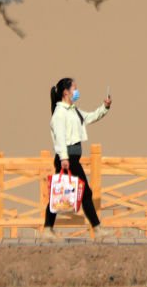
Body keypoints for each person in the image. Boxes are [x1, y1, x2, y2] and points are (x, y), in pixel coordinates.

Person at [42, 77, 112, 237]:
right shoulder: (59, 114)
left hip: (71, 159)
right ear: (66, 92)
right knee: (85, 193)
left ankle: (47, 228)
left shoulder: (74, 111)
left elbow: (90, 117)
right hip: (67, 159)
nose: (76, 91)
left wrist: (105, 107)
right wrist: (64, 158)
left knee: (58, 193)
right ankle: (97, 228)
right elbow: (59, 137)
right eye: (74, 88)